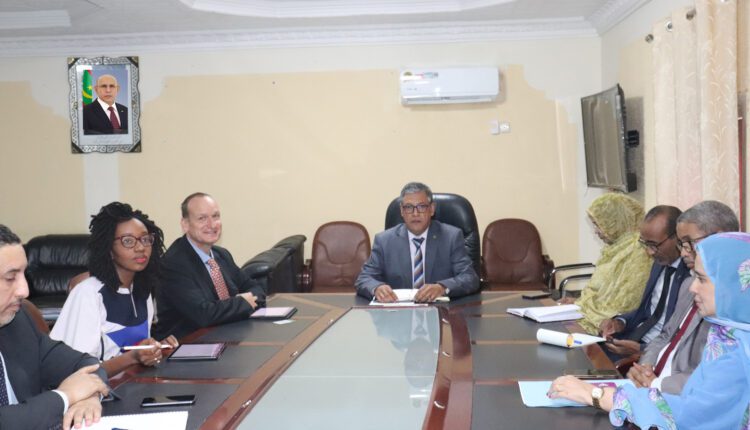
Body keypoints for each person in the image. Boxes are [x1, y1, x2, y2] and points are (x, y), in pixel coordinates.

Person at [549, 232, 750, 429]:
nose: (692, 288)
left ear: (732, 284)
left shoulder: (740, 353)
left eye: (702, 279)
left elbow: (686, 416)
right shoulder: (726, 334)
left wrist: (594, 395)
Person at [0, 224, 110, 430]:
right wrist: (65, 396)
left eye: (24, 274)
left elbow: (88, 364)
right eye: (10, 278)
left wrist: (88, 397)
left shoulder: (18, 322)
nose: (24, 290)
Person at [50, 202, 178, 377]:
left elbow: (131, 350)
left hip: (131, 385)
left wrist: (155, 349)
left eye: (145, 239)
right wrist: (133, 357)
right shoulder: (89, 294)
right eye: (128, 241)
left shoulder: (143, 291)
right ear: (109, 249)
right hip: (92, 391)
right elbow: (79, 372)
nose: (140, 248)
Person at [627, 200, 738, 394]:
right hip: (651, 384)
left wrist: (656, 385)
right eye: (681, 244)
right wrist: (645, 367)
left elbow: (713, 375)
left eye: (689, 244)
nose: (684, 252)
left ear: (719, 238)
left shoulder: (736, 300)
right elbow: (665, 335)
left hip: (680, 396)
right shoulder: (689, 284)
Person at [153, 192, 265, 339]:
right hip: (189, 344)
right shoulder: (173, 264)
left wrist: (242, 301)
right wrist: (243, 302)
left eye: (215, 216)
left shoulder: (221, 254)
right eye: (202, 218)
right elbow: (204, 314)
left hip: (226, 335)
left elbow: (256, 288)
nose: (212, 225)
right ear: (185, 224)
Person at [355, 182, 479, 303]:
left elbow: (470, 278)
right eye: (409, 207)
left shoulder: (451, 237)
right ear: (402, 211)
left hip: (441, 311)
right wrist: (377, 288)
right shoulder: (384, 241)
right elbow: (364, 278)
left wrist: (442, 287)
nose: (415, 214)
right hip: (398, 312)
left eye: (422, 207)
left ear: (432, 209)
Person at [599, 205, 691, 360]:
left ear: (677, 237)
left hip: (657, 353)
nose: (649, 252)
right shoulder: (660, 262)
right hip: (636, 337)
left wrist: (641, 350)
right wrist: (619, 322)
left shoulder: (692, 275)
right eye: (645, 244)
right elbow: (647, 311)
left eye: (654, 245)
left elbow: (682, 337)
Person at [567, 193, 652, 334]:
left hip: (610, 328)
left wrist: (581, 305)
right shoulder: (615, 247)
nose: (596, 232)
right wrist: (578, 302)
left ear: (615, 222)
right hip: (590, 315)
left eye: (598, 225)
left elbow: (621, 305)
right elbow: (600, 292)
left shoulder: (637, 251)